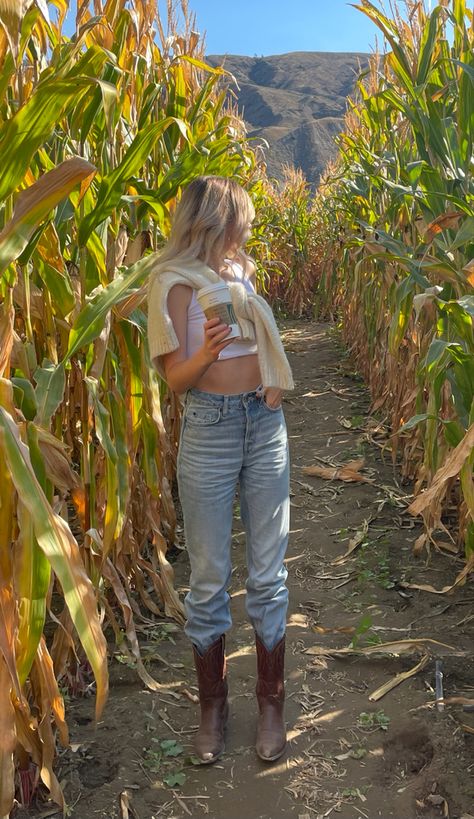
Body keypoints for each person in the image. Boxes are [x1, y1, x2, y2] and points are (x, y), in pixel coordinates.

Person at [147, 175, 294, 765]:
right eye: (241, 223)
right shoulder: (173, 284)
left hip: (263, 424)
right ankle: (213, 708)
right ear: (216, 221)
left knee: (269, 573)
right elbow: (174, 379)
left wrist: (272, 381)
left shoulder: (241, 274)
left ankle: (270, 704)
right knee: (208, 578)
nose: (246, 234)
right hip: (207, 428)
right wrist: (206, 352)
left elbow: (260, 340)